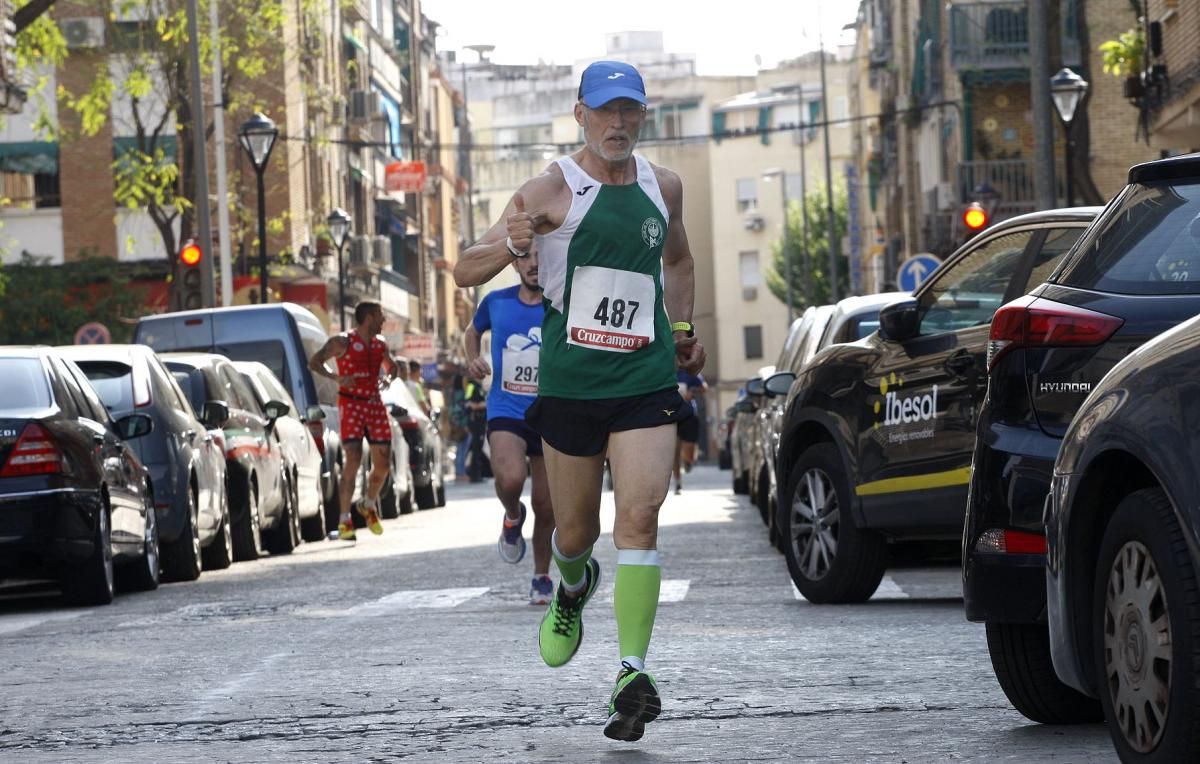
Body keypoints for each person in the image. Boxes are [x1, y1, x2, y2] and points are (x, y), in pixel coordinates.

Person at [453, 59, 705, 743]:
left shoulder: (665, 188)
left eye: (630, 112)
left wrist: (682, 333)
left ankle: (631, 673)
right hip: (571, 387)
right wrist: (512, 241)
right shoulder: (550, 190)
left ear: (643, 117)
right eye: (606, 111)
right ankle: (572, 586)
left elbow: (677, 263)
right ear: (581, 116)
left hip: (645, 383)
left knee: (642, 515)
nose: (618, 124)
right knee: (573, 533)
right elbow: (463, 269)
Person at [464, 244, 556, 605]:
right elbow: (472, 332)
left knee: (547, 505)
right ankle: (512, 516)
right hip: (507, 408)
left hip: (551, 412)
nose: (534, 263)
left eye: (540, 255)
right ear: (514, 263)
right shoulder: (496, 302)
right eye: (525, 257)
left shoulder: (560, 303)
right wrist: (473, 359)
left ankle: (541, 575)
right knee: (511, 478)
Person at [307, 301, 398, 540]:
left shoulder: (381, 345)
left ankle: (367, 504)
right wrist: (336, 377)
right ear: (368, 317)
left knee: (384, 463)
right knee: (353, 458)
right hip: (350, 403)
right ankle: (345, 520)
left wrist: (387, 379)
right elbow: (314, 362)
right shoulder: (342, 342)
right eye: (380, 315)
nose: (383, 320)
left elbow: (393, 368)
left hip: (374, 402)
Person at [672, 369, 706, 494]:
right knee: (674, 452)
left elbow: (703, 387)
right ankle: (677, 482)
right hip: (671, 415)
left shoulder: (689, 373)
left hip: (689, 414)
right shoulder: (666, 371)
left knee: (689, 448)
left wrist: (692, 391)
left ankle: (688, 460)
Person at [464, 375, 488, 482]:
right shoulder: (471, 386)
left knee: (478, 448)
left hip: (481, 421)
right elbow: (468, 403)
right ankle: (475, 475)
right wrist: (482, 405)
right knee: (475, 448)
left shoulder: (479, 386)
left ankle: (477, 474)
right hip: (475, 421)